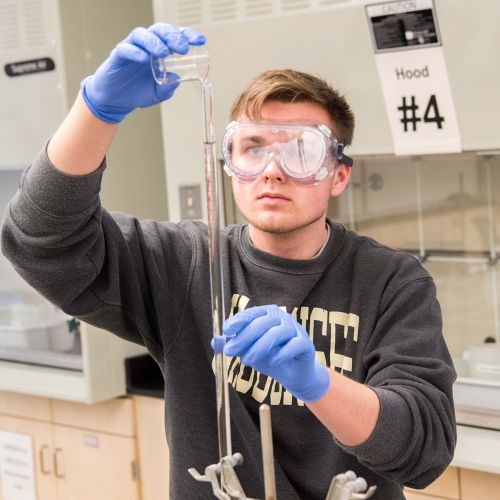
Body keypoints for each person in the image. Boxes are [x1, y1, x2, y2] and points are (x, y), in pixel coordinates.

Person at [1, 23, 456, 500]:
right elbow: (41, 243)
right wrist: (96, 110)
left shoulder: (391, 282)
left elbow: (425, 451)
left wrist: (317, 384)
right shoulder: (185, 265)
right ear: (229, 166)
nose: (273, 170)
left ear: (338, 174)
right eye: (254, 148)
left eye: (302, 150)